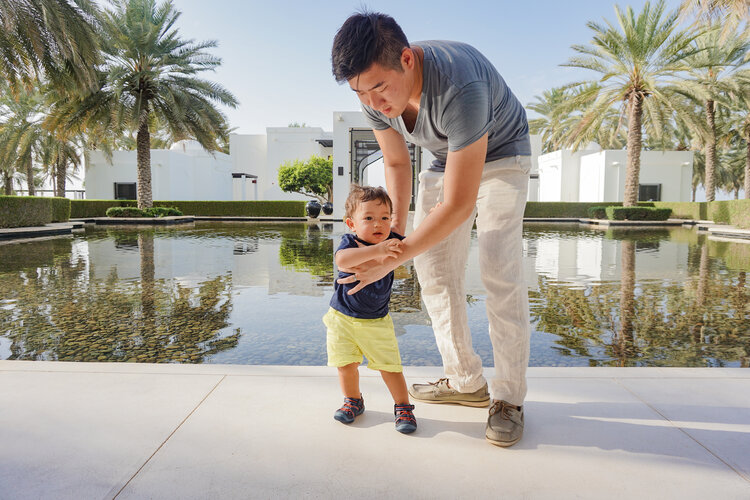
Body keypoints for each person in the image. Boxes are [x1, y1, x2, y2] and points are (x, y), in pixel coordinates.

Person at [331, 11, 532, 447]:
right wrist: (395, 237)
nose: (373, 102)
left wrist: (390, 262)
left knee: (499, 271)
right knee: (434, 271)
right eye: (360, 93)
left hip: (502, 155)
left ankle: (509, 400)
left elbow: (459, 205)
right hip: (446, 160)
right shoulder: (371, 91)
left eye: (379, 88)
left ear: (407, 59)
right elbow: (399, 162)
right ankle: (465, 382)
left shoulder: (461, 85)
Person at [324, 184, 417, 434]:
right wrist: (378, 251)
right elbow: (342, 260)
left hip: (375, 321)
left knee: (390, 366)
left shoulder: (393, 241)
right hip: (341, 317)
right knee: (345, 364)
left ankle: (403, 406)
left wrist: (433, 214)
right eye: (369, 218)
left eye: (385, 218)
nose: (379, 224)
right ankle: (353, 400)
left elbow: (419, 243)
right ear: (351, 223)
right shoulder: (350, 242)